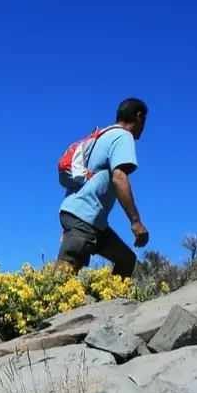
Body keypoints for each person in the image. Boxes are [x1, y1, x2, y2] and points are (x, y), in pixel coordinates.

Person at [55, 98, 150, 279]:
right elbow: (119, 177)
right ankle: (45, 304)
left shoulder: (103, 135)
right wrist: (136, 222)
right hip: (84, 217)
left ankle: (112, 303)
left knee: (126, 260)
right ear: (139, 117)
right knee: (64, 274)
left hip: (89, 220)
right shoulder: (123, 136)